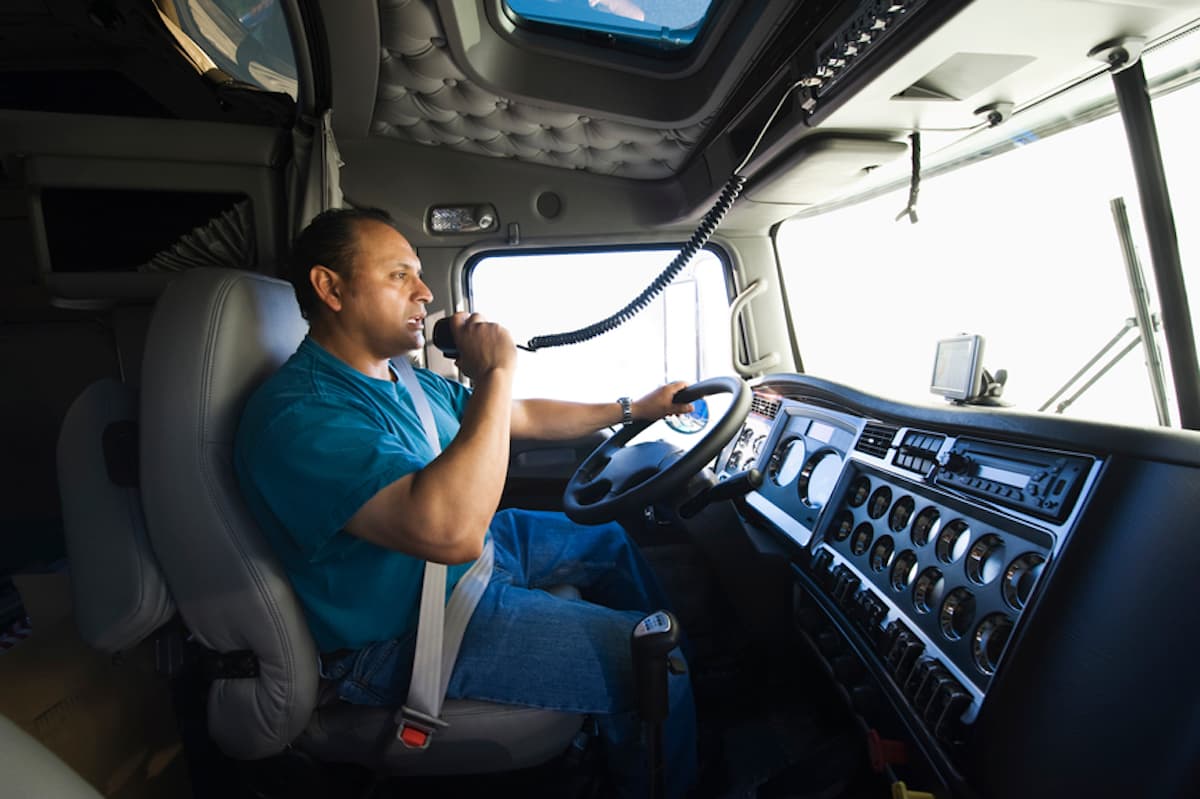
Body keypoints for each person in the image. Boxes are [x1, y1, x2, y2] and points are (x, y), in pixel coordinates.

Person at [233, 206, 698, 798]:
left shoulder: (403, 378)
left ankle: (654, 706)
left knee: (607, 539)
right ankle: (668, 716)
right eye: (400, 275)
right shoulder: (299, 416)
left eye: (421, 275)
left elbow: (514, 416)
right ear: (331, 288)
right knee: (659, 666)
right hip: (404, 631)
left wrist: (635, 409)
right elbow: (451, 531)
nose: (425, 293)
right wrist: (495, 371)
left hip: (453, 576)